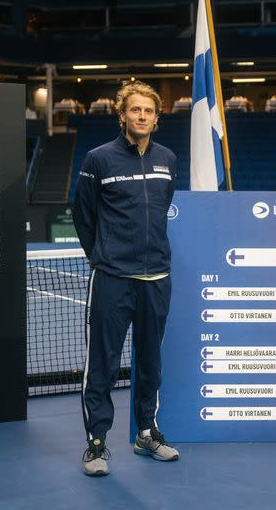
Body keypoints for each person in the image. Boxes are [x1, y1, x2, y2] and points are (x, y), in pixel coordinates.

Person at [73, 80, 179, 477]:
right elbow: (83, 214)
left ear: (156, 117)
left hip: (157, 278)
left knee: (150, 360)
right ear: (122, 115)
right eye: (135, 110)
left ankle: (146, 432)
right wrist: (100, 255)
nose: (142, 117)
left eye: (148, 111)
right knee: (102, 361)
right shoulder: (98, 159)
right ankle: (97, 443)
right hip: (113, 278)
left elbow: (165, 205)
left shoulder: (168, 158)